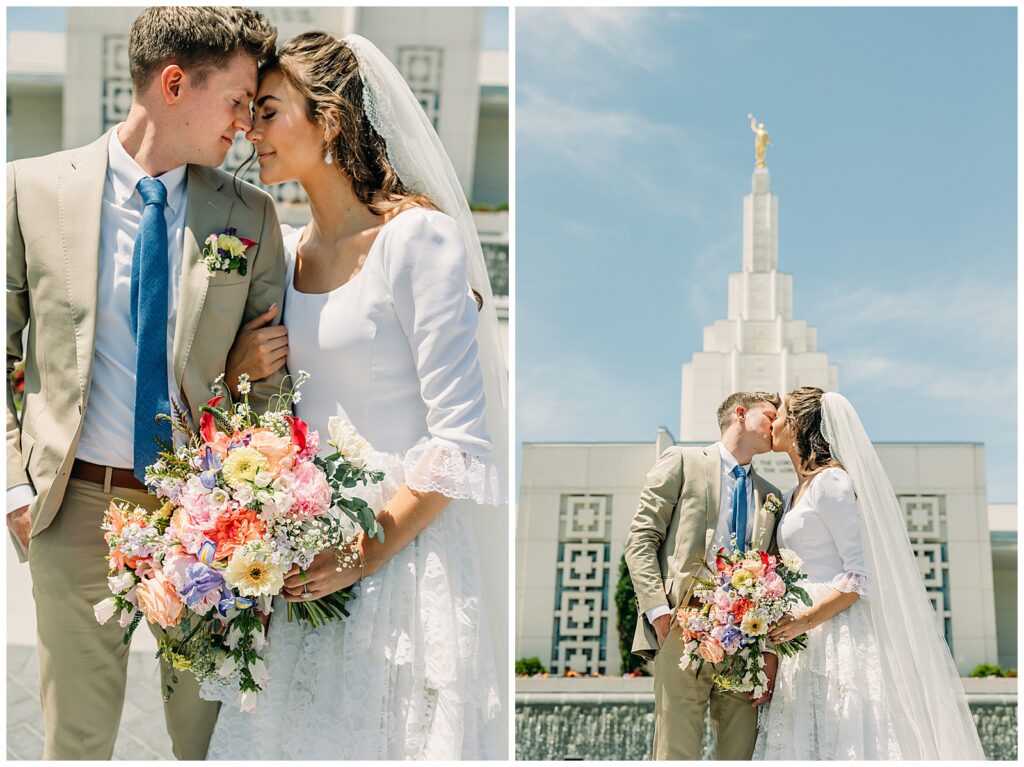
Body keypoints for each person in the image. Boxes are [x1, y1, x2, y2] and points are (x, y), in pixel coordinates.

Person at [203, 32, 508, 759]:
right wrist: (240, 373)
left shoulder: (417, 240)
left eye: (269, 111)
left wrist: (362, 553)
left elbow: (460, 441)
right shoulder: (282, 249)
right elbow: (265, 408)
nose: (251, 130)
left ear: (329, 120)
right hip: (297, 557)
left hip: (398, 558)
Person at [5, 7, 284, 760]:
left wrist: (257, 519)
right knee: (79, 742)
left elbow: (268, 393)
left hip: (206, 525)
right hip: (74, 512)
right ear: (172, 85)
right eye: (236, 101)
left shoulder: (251, 214)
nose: (245, 125)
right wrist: (14, 489)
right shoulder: (28, 190)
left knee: (205, 740)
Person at [754, 387, 985, 760]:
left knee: (844, 735)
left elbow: (859, 576)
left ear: (795, 424)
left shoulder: (832, 483)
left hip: (833, 628)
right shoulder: (794, 491)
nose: (772, 423)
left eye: (778, 416)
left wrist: (806, 619)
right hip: (797, 636)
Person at [624, 391, 782, 760]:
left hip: (746, 639)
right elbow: (642, 537)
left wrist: (769, 650)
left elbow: (774, 570)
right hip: (681, 624)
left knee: (739, 753)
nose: (777, 425)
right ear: (741, 414)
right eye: (770, 416)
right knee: (676, 751)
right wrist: (657, 611)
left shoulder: (770, 495)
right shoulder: (683, 460)